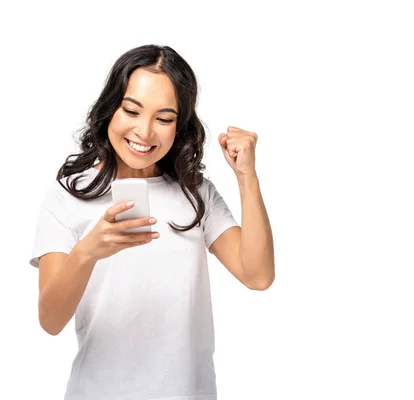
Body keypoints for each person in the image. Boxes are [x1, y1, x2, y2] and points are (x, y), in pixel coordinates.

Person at [29, 44, 275, 400]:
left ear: (180, 126)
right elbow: (50, 321)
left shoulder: (195, 193)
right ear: (110, 108)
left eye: (164, 118)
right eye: (131, 110)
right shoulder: (67, 197)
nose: (144, 132)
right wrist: (88, 252)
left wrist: (246, 177)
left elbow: (258, 275)